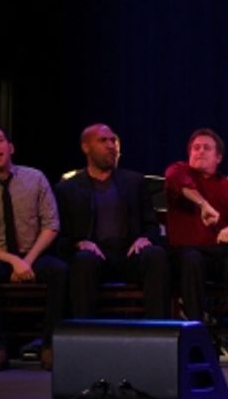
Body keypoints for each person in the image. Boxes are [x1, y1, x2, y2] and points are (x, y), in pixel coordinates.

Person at [0, 124, 66, 371]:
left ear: (11, 147)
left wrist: (26, 260)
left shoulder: (35, 178)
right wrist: (12, 261)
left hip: (34, 253)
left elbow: (51, 225)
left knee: (60, 271)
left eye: (0, 140)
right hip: (0, 256)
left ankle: (50, 346)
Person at [54, 123, 168, 320]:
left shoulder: (134, 181)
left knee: (155, 255)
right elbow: (61, 235)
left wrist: (144, 238)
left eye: (113, 140)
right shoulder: (68, 188)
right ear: (85, 147)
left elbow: (151, 224)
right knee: (82, 261)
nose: (110, 145)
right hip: (95, 256)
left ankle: (156, 332)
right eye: (103, 140)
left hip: (129, 253)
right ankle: (84, 337)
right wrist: (78, 243)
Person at [164, 128, 228, 365]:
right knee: (191, 260)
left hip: (218, 252)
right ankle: (198, 341)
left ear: (219, 158)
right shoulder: (180, 171)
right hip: (187, 251)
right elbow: (175, 180)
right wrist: (204, 205)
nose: (200, 151)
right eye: (196, 147)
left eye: (206, 148)